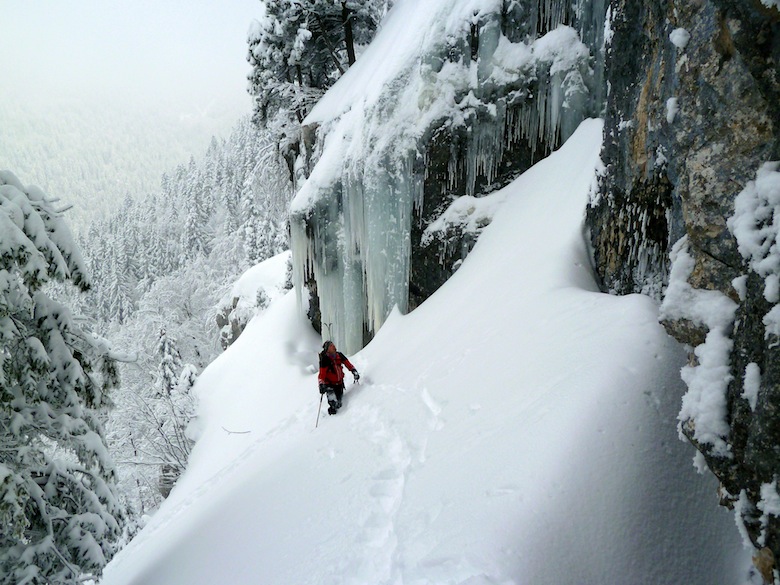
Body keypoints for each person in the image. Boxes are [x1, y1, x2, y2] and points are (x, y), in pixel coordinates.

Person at [318, 341, 359, 415]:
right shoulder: (325, 360)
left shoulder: (339, 355)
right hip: (329, 385)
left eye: (333, 345)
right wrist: (321, 384)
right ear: (327, 349)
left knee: (340, 403)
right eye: (331, 346)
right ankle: (332, 415)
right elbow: (322, 374)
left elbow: (347, 364)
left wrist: (353, 370)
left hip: (339, 384)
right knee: (334, 405)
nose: (334, 346)